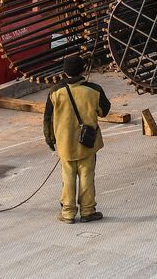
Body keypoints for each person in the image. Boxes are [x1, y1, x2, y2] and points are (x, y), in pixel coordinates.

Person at [44, 55, 110, 224]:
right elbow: (104, 111)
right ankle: (88, 211)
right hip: (87, 143)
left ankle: (67, 213)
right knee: (87, 176)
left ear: (64, 72)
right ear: (83, 70)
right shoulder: (94, 90)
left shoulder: (55, 92)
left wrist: (50, 139)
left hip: (65, 143)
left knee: (68, 177)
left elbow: (48, 118)